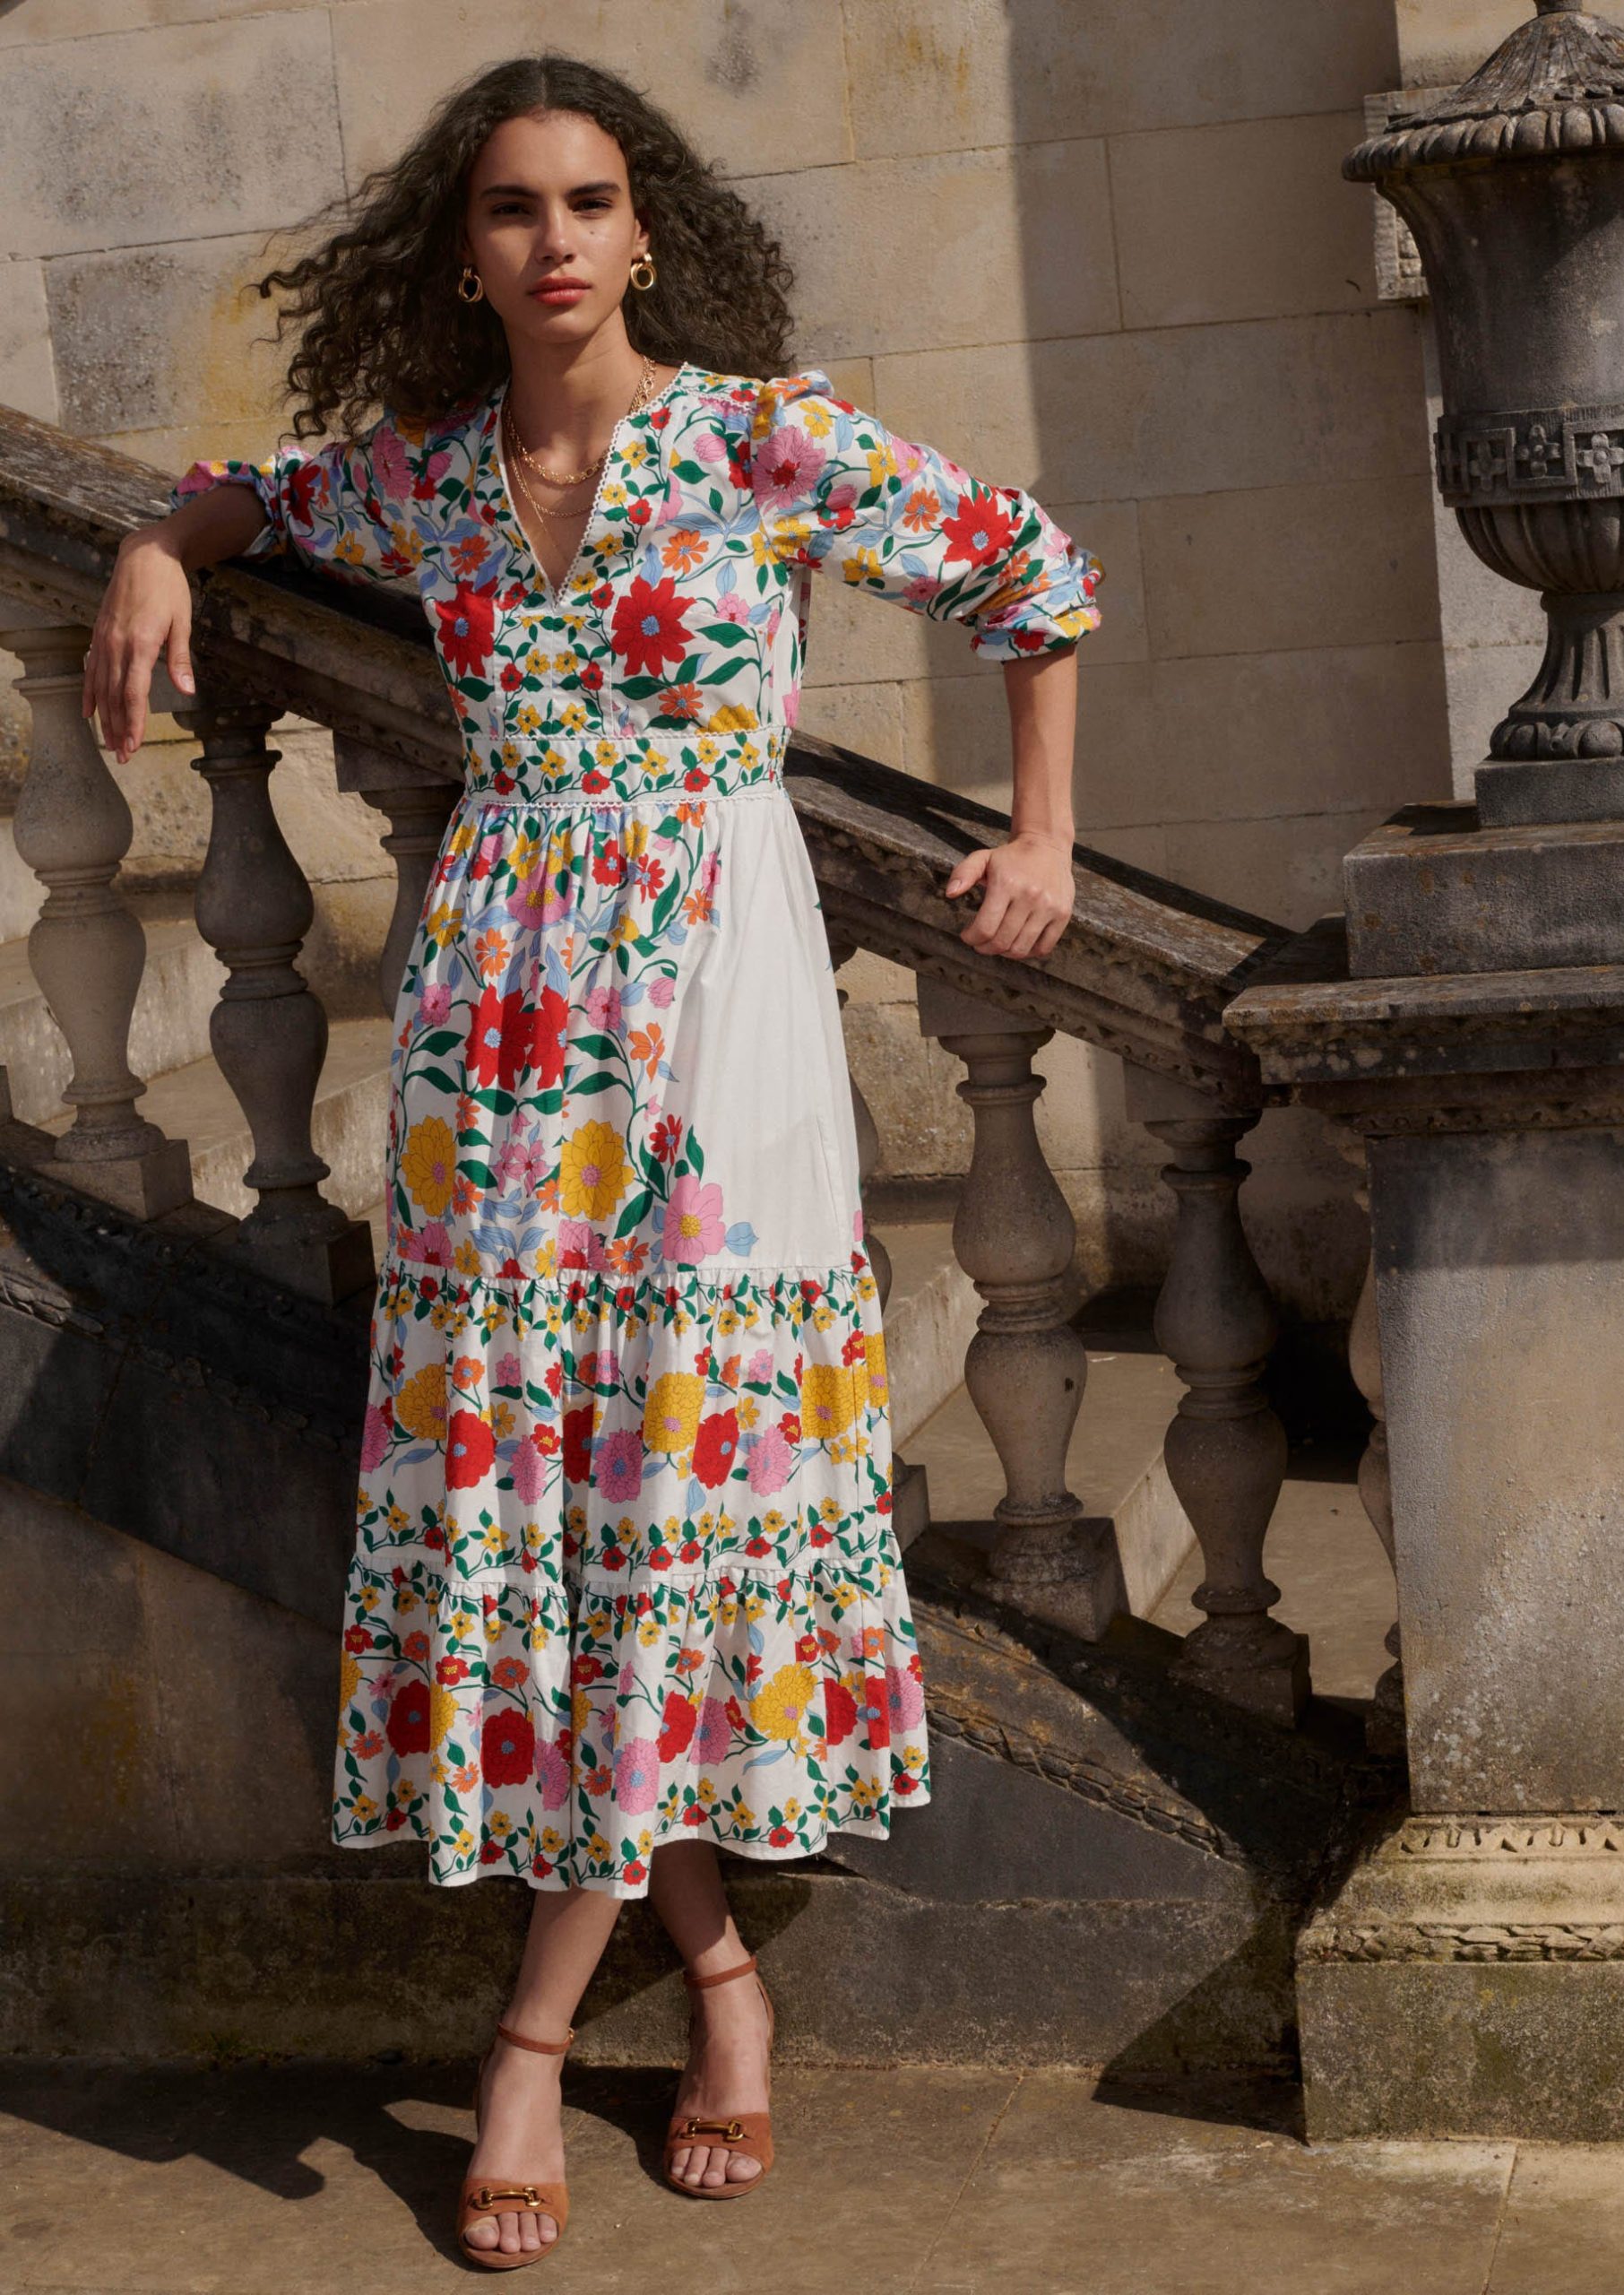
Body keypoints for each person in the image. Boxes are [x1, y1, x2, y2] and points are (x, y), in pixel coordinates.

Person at [81, 50, 1103, 2271]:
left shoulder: (755, 438)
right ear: (463, 253)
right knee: (549, 1497)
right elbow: (245, 492)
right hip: (498, 1022)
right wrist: (156, 547)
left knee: (673, 1481)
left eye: (590, 201)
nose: (555, 239)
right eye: (513, 206)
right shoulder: (427, 478)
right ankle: (718, 1972)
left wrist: (1041, 836)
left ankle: (533, 2033)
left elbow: (1030, 574)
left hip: (717, 1007)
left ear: (649, 233)